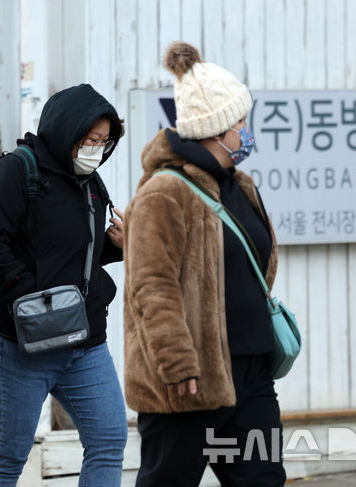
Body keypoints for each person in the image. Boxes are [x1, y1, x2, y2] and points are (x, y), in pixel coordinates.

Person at [123, 42, 286, 486]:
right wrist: (178, 364)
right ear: (216, 130)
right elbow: (151, 287)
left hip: (251, 375)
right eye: (240, 122)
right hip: (188, 384)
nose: (246, 130)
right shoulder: (163, 193)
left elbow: (260, 263)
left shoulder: (242, 185)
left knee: (263, 480)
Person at [0, 84, 128, 486]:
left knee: (109, 439)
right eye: (91, 140)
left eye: (104, 142)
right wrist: (32, 300)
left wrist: (114, 245)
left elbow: (74, 255)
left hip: (84, 341)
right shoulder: (16, 171)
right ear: (66, 131)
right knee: (7, 456)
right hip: (19, 343)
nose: (97, 149)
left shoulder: (90, 182)